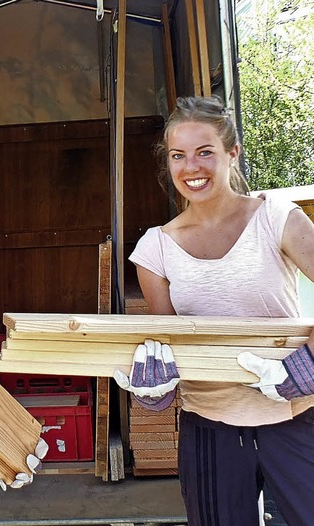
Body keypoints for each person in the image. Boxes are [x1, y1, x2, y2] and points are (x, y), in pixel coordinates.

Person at [114, 96, 314, 525]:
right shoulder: (155, 248)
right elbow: (166, 343)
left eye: (205, 151)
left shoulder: (276, 219)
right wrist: (156, 387)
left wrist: (310, 364)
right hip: (209, 429)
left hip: (295, 418)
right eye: (178, 155)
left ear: (231, 153)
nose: (192, 168)